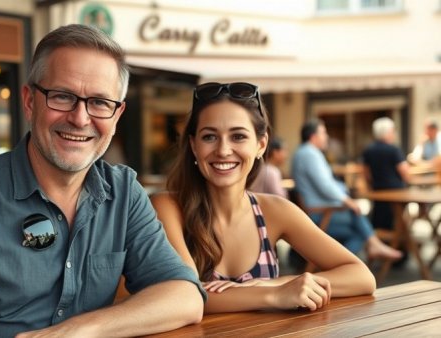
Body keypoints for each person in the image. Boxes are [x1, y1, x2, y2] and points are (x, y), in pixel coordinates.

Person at [0, 24, 204, 337]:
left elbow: (184, 296)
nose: (80, 119)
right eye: (62, 96)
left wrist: (82, 329)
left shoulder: (123, 192)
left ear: (116, 115)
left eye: (99, 102)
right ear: (29, 101)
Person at [151, 81, 376, 314]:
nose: (223, 150)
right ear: (193, 145)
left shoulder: (274, 210)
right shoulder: (166, 208)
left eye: (238, 136)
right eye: (209, 137)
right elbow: (187, 295)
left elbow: (362, 277)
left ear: (261, 145)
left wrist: (278, 283)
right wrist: (275, 294)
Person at [291, 119, 402, 260]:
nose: (327, 136)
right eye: (323, 132)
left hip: (319, 211)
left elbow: (325, 184)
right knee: (358, 222)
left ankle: (359, 252)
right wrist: (347, 200)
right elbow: (325, 185)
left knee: (359, 226)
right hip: (320, 215)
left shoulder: (304, 152)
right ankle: (338, 264)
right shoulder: (309, 154)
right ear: (313, 136)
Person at [362, 117, 410, 231]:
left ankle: (382, 239)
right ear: (388, 132)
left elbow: (366, 173)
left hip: (378, 191)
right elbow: (405, 172)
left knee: (379, 219)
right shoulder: (394, 149)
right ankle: (401, 240)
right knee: (398, 219)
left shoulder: (369, 150)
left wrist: (371, 186)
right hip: (397, 193)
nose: (394, 134)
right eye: (393, 131)